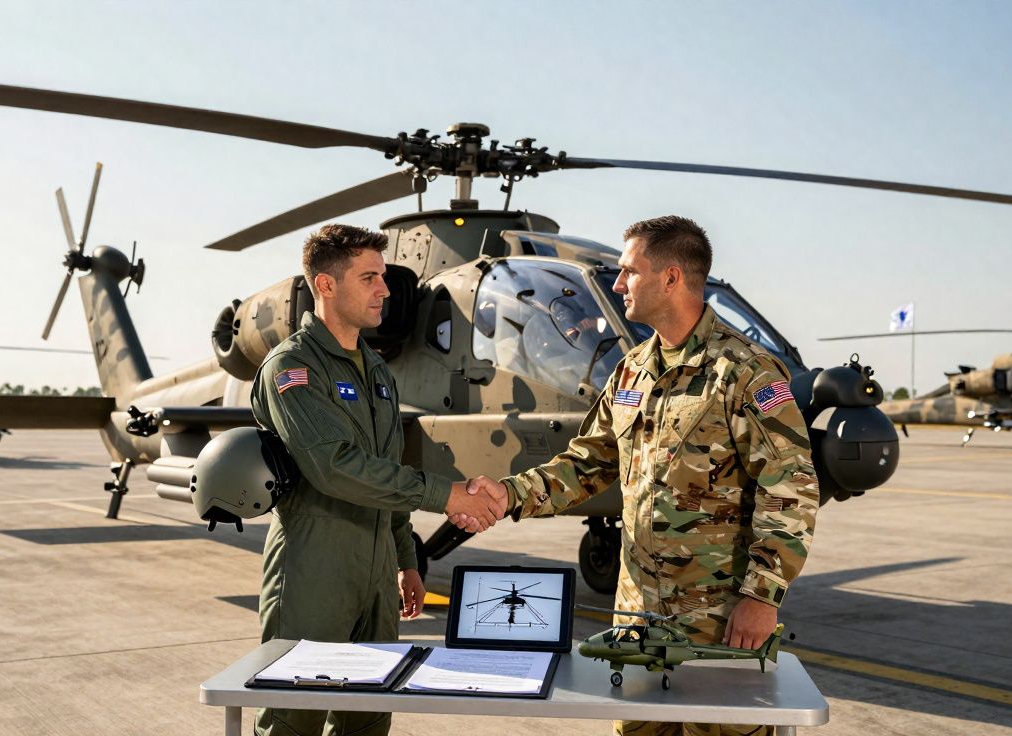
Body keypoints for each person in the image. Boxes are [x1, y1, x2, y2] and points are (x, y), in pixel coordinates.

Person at [457, 216, 819, 736]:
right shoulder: (632, 370)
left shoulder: (744, 371)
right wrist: (506, 494)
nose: (620, 284)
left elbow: (790, 490)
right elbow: (587, 464)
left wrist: (761, 597)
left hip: (715, 624)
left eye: (629, 272)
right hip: (638, 622)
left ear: (671, 278)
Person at [251, 223, 506, 736]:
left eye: (383, 276)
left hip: (376, 577)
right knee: (293, 716)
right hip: (312, 574)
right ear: (326, 285)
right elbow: (336, 467)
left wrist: (406, 561)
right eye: (369, 278)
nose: (385, 290)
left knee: (368, 715)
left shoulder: (375, 370)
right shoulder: (293, 368)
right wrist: (449, 493)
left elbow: (386, 467)